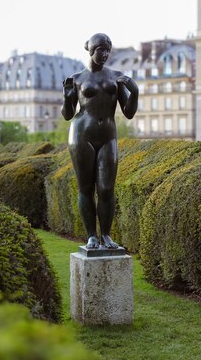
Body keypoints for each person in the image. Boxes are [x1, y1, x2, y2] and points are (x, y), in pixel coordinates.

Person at [61, 33, 139, 249]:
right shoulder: (77, 79)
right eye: (100, 50)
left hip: (107, 136)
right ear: (91, 51)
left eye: (107, 50)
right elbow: (67, 115)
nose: (104, 54)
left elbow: (129, 112)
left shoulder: (117, 77)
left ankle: (106, 235)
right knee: (86, 188)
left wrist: (135, 92)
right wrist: (67, 97)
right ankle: (91, 236)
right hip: (81, 136)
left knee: (106, 188)